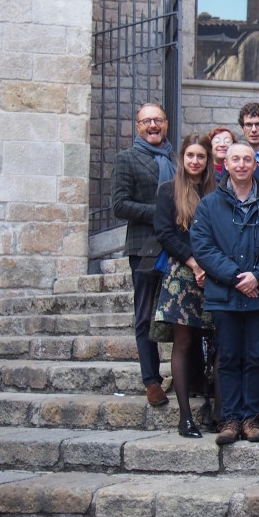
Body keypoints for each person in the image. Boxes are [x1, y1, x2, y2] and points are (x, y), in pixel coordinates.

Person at [191, 142, 259, 446]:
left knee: (254, 357)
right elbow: (202, 246)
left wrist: (258, 275)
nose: (241, 164)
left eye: (247, 159)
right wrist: (237, 278)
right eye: (235, 159)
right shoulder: (209, 204)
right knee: (227, 358)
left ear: (256, 164)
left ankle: (251, 419)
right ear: (225, 164)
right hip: (224, 295)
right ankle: (229, 419)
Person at [153, 133, 218, 438]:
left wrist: (210, 265)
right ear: (182, 158)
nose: (195, 161)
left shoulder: (216, 191)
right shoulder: (169, 191)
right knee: (184, 343)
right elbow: (165, 233)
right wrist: (193, 263)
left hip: (213, 273)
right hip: (182, 274)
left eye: (200, 156)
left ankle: (218, 411)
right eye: (190, 155)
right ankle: (185, 417)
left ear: (208, 161)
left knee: (218, 343)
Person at [112, 103, 175, 408]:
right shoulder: (127, 159)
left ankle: (187, 373)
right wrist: (162, 214)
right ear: (137, 126)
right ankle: (151, 380)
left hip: (177, 246)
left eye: (158, 120)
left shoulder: (176, 160)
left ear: (166, 124)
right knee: (146, 315)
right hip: (145, 248)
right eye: (147, 121)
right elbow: (120, 205)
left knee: (180, 314)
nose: (153, 125)